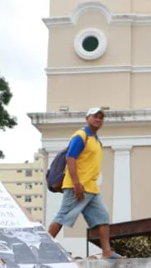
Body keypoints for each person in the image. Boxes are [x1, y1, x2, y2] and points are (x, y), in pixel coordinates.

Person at [47, 108, 122, 259]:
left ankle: (107, 252)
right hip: (77, 187)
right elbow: (70, 158)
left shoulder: (96, 140)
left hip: (91, 188)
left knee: (102, 217)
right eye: (95, 116)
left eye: (101, 117)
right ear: (87, 118)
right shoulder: (81, 136)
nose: (98, 119)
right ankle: (43, 246)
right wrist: (76, 183)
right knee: (62, 216)